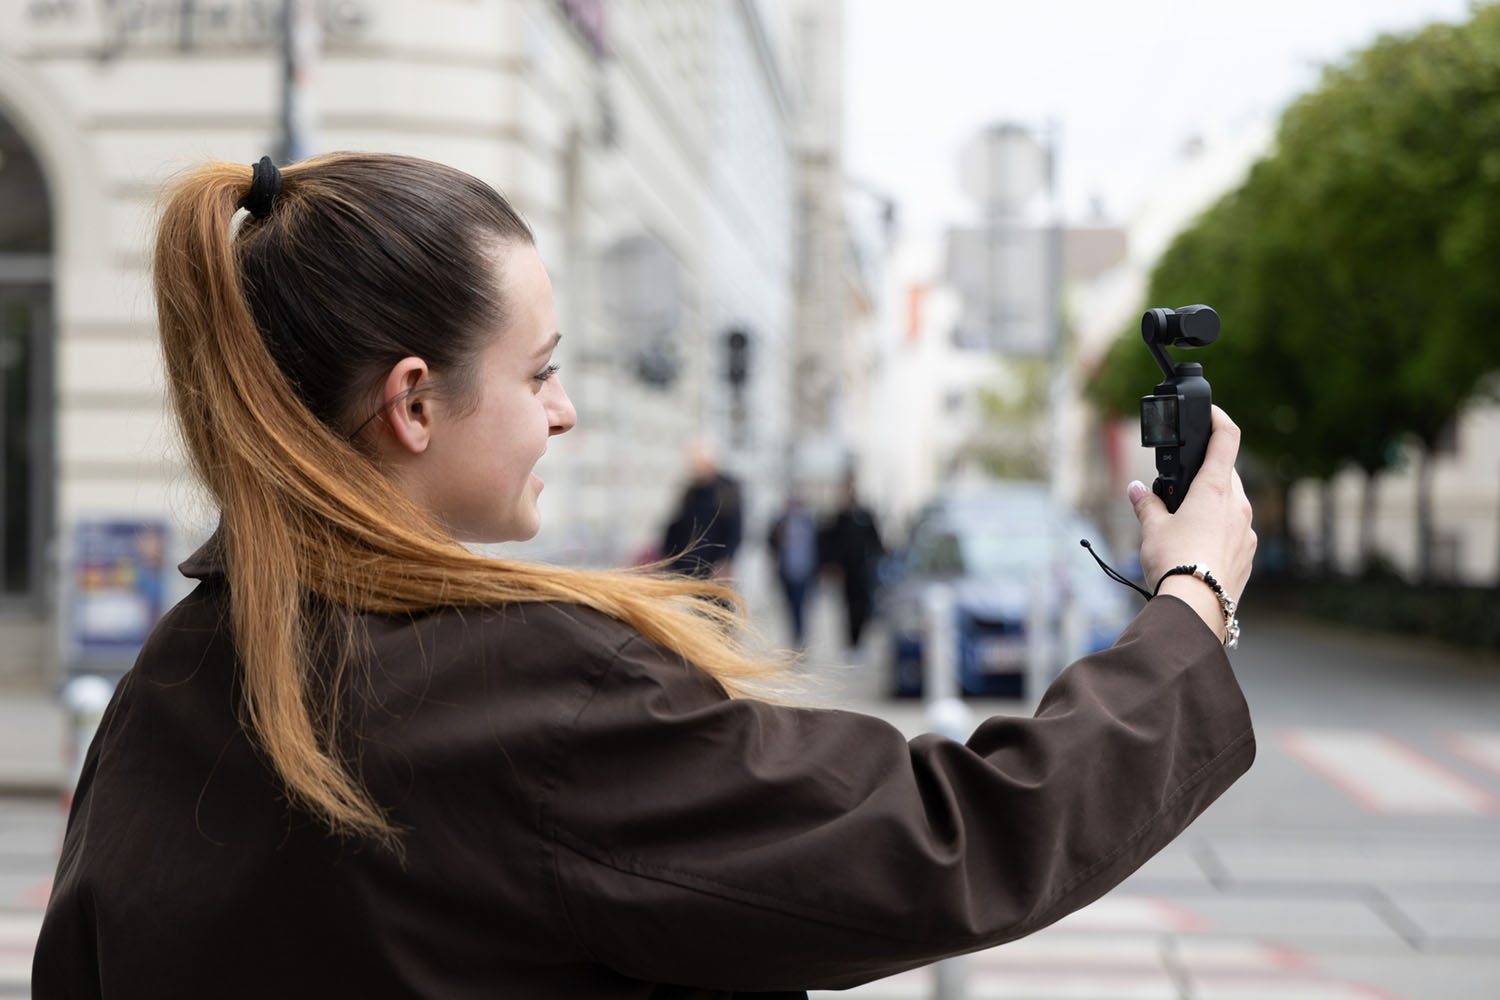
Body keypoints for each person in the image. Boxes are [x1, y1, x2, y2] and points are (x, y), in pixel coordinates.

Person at [32, 152, 1257, 998]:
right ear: (414, 401)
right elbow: (957, 836)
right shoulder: (531, 694)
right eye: (538, 371)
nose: (563, 413)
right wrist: (1190, 606)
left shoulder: (171, 672)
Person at [660, 436, 744, 579]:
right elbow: (677, 527)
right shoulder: (692, 491)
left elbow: (734, 531)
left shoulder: (726, 490)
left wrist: (725, 562)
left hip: (713, 568)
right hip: (685, 566)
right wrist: (668, 557)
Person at [821, 475, 886, 651]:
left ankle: (860, 642)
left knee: (864, 607)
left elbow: (876, 541)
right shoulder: (840, 519)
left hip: (863, 570)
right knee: (849, 608)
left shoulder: (865, 516)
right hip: (846, 572)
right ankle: (851, 644)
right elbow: (829, 544)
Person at [767, 490, 820, 647]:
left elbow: (818, 547)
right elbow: (770, 542)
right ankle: (796, 636)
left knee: (801, 605)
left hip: (805, 571)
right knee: (790, 606)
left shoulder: (809, 522)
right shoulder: (781, 522)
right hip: (787, 572)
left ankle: (800, 636)